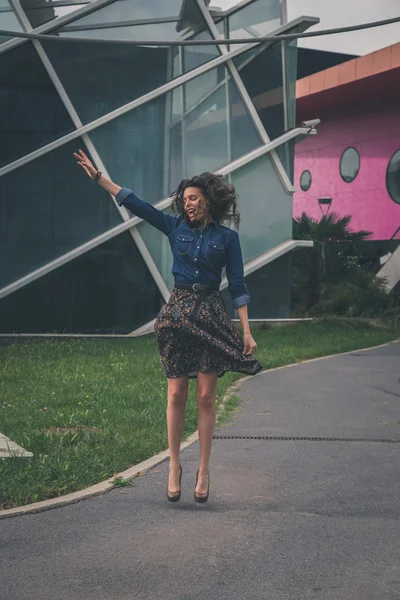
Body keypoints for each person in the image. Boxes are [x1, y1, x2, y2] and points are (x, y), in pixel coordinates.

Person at [74, 149, 262, 504]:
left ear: (208, 200)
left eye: (193, 198)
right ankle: (174, 465)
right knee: (176, 393)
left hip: (209, 314)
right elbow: (139, 205)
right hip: (178, 313)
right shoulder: (175, 227)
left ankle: (204, 469)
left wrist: (247, 331)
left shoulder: (228, 240)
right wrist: (102, 180)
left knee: (206, 397)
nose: (187, 204)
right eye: (184, 199)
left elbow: (238, 286)